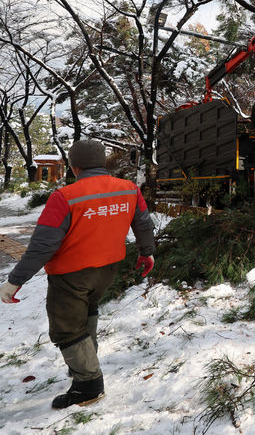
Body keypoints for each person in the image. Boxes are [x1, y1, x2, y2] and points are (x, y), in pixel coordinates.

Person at [0, 140, 155, 409]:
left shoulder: (65, 197)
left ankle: (88, 385)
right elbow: (142, 222)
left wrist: (15, 281)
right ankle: (85, 362)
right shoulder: (129, 189)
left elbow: (42, 245)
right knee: (87, 311)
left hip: (71, 274)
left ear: (74, 167)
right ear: (102, 163)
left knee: (67, 326)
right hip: (107, 269)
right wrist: (147, 252)